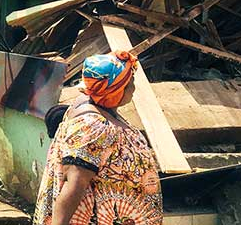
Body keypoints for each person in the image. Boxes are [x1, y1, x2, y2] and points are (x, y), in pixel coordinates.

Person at [33, 51, 162, 225]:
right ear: (115, 90)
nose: (134, 88)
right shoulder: (93, 126)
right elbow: (74, 183)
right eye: (129, 83)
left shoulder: (101, 109)